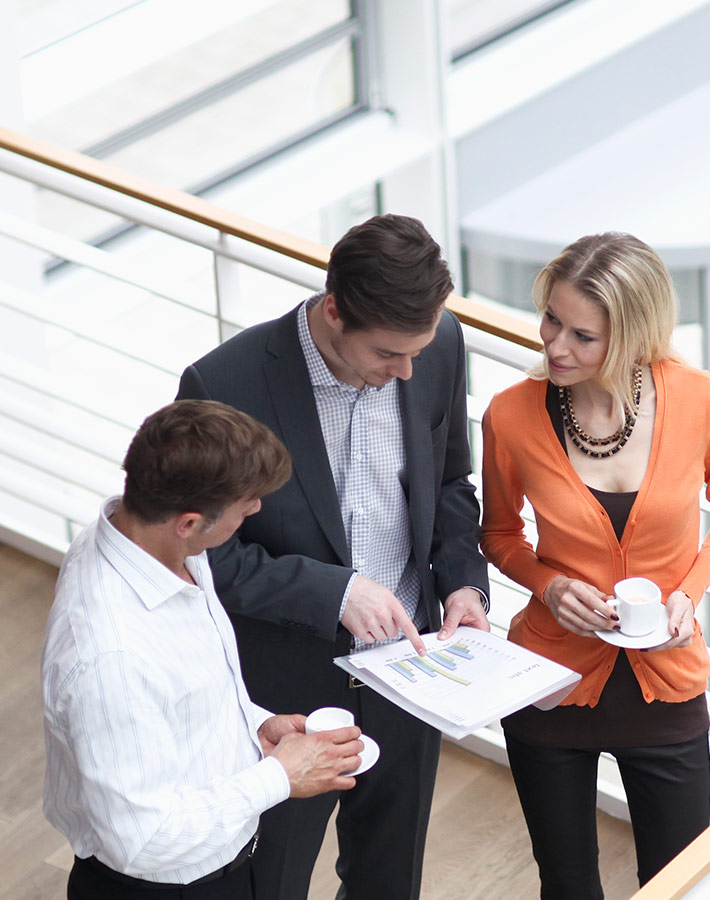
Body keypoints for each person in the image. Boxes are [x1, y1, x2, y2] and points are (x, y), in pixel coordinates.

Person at [175, 213, 491, 899]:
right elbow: (200, 558)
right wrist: (334, 592)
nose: (406, 371)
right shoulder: (224, 385)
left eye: (416, 352)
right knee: (270, 882)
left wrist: (464, 585)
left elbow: (450, 482)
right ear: (335, 311)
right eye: (387, 355)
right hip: (284, 695)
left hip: (411, 674)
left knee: (390, 883)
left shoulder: (436, 345)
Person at [480, 233, 710, 899]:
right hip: (548, 684)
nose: (555, 346)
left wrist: (689, 592)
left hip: (667, 683)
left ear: (633, 338)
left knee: (678, 885)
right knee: (567, 887)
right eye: (551, 320)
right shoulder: (510, 415)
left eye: (583, 336)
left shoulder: (700, 399)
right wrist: (549, 586)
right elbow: (498, 534)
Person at [43, 399, 366, 899]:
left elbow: (179, 695)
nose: (255, 510)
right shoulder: (112, 661)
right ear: (189, 522)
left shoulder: (152, 544)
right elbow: (143, 839)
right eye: (245, 505)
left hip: (226, 864)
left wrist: (254, 727)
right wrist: (280, 776)